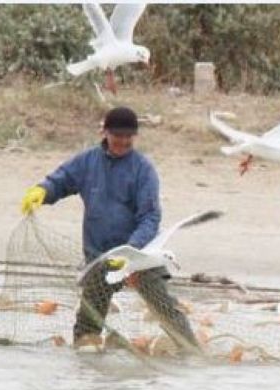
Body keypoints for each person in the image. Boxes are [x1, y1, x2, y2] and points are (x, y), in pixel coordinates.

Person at [20, 106, 201, 353]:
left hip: (139, 257)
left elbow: (150, 217)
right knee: (88, 320)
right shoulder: (87, 161)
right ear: (105, 132)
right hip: (99, 256)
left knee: (166, 308)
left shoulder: (143, 169)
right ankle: (86, 358)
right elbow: (61, 181)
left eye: (128, 137)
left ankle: (191, 352)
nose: (123, 142)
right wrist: (42, 191)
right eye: (118, 136)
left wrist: (130, 251)